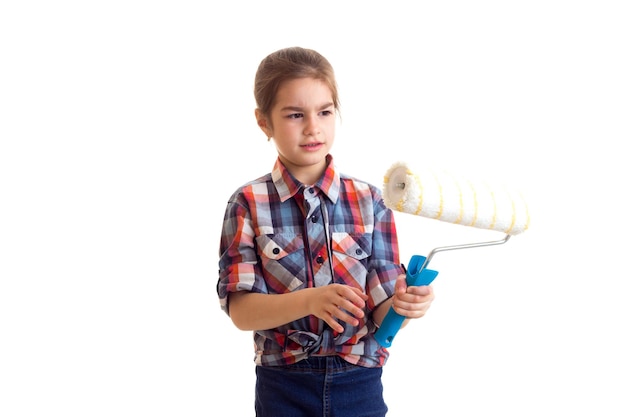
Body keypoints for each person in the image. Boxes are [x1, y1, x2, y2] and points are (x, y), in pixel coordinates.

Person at [217, 46, 435, 417]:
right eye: (295, 114)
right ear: (264, 122)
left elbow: (381, 313)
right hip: (283, 383)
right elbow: (242, 312)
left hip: (359, 382)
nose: (313, 127)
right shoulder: (248, 202)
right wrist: (309, 300)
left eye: (325, 111)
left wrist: (404, 304)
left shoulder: (370, 200)